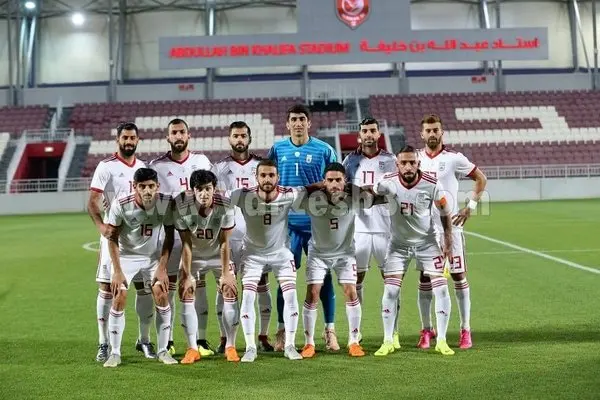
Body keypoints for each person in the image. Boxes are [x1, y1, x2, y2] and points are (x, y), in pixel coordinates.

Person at [230, 159, 320, 362]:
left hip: (281, 253)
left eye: (271, 175)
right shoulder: (243, 195)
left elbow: (310, 189)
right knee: (248, 297)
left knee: (290, 296)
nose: (267, 179)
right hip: (252, 254)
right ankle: (250, 347)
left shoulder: (288, 194)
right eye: (263, 175)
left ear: (278, 177)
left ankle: (289, 345)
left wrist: (326, 184)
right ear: (256, 177)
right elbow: (217, 196)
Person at [268, 104, 339, 351]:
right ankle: (281, 331)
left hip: (318, 225)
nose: (298, 123)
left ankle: (329, 330)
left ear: (309, 123)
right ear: (287, 124)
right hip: (287, 226)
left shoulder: (324, 150)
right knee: (284, 278)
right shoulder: (277, 149)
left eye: (302, 119)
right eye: (294, 119)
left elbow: (336, 181)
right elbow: (268, 180)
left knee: (324, 277)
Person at [371, 146, 455, 357]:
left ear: (418, 163)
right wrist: (377, 188)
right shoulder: (388, 181)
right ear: (397, 164)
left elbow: (445, 212)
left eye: (412, 162)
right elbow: (373, 190)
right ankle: (388, 340)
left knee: (441, 290)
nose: (408, 167)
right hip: (398, 246)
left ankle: (442, 341)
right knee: (391, 291)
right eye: (403, 163)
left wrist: (447, 239)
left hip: (427, 243)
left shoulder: (432, 184)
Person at [298, 162, 387, 358]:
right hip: (318, 254)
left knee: (351, 292)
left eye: (338, 180)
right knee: (312, 293)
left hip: (345, 254)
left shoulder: (354, 198)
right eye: (330, 180)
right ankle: (309, 343)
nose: (334, 184)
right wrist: (315, 186)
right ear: (324, 182)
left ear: (344, 181)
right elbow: (294, 195)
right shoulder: (311, 199)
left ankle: (353, 342)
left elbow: (380, 198)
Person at [416, 114, 488, 350]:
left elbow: (481, 178)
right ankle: (427, 329)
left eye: (436, 129)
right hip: (425, 230)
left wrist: (470, 207)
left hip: (452, 227)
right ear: (422, 134)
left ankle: (465, 329)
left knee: (458, 276)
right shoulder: (415, 159)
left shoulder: (454, 158)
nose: (432, 133)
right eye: (428, 130)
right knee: (425, 278)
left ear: (442, 132)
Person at [88, 122, 155, 362]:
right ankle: (103, 342)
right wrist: (101, 227)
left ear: (138, 140)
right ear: (118, 140)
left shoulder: (144, 168)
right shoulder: (106, 166)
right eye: (124, 138)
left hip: (140, 238)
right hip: (115, 237)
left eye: (132, 138)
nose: (128, 141)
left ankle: (144, 339)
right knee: (108, 288)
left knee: (144, 288)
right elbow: (93, 200)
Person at [149, 118, 213, 356]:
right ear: (168, 137)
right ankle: (168, 341)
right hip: (169, 234)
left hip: (196, 235)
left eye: (182, 132)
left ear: (189, 135)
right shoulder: (156, 166)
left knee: (197, 287)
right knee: (169, 287)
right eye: (174, 132)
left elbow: (211, 192)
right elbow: (151, 198)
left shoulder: (201, 161)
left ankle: (200, 341)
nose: (178, 136)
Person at [102, 167, 178, 367]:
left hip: (151, 257)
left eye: (151, 186)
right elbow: (112, 238)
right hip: (126, 257)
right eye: (142, 186)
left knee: (162, 294)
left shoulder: (165, 203)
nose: (147, 191)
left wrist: (162, 267)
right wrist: (117, 271)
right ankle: (115, 353)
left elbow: (170, 237)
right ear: (134, 186)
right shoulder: (121, 204)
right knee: (119, 295)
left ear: (157, 186)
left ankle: (163, 351)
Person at [212, 121, 274, 352]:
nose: (240, 139)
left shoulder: (261, 165)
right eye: (236, 136)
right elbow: (213, 199)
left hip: (255, 237)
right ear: (229, 139)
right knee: (225, 285)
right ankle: (224, 338)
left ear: (250, 138)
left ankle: (263, 336)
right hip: (228, 237)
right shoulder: (218, 168)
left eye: (243, 136)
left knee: (261, 284)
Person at [170, 169, 240, 364]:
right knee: (186, 290)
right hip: (194, 254)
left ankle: (230, 346)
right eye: (199, 189)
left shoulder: (225, 205)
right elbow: (186, 243)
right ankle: (192, 348)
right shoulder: (181, 206)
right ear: (192, 190)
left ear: (214, 189)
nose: (204, 193)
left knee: (230, 288)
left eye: (208, 188)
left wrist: (226, 273)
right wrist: (186, 274)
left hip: (218, 254)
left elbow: (225, 242)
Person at [341, 117, 399, 348]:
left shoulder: (391, 160)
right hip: (359, 230)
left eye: (372, 130)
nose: (368, 134)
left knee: (391, 281)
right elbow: (343, 190)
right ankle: (356, 333)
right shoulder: (350, 160)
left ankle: (393, 332)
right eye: (364, 131)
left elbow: (398, 190)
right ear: (359, 135)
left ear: (378, 134)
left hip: (386, 229)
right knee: (355, 280)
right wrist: (358, 195)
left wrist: (370, 195)